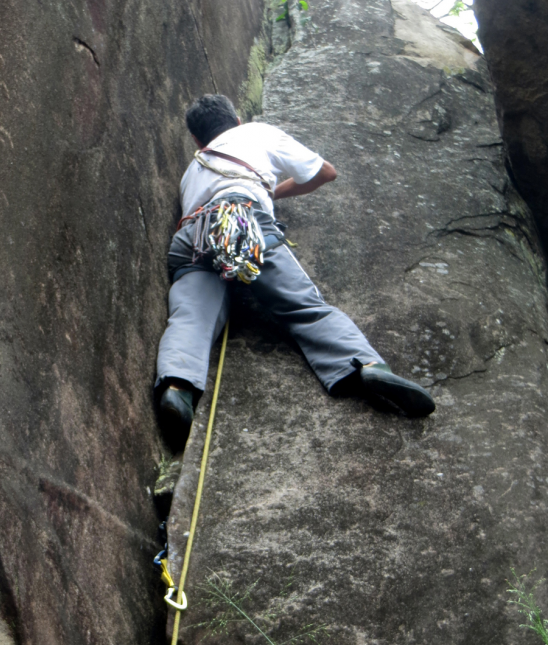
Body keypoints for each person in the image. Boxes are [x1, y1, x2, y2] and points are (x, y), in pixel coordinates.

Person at [156, 94, 435, 442]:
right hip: (240, 220)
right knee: (305, 307)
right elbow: (324, 173)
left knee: (191, 317)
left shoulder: (192, 169)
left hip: (189, 240)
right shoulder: (257, 133)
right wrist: (270, 193)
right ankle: (366, 365)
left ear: (197, 140)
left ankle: (177, 387)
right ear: (238, 120)